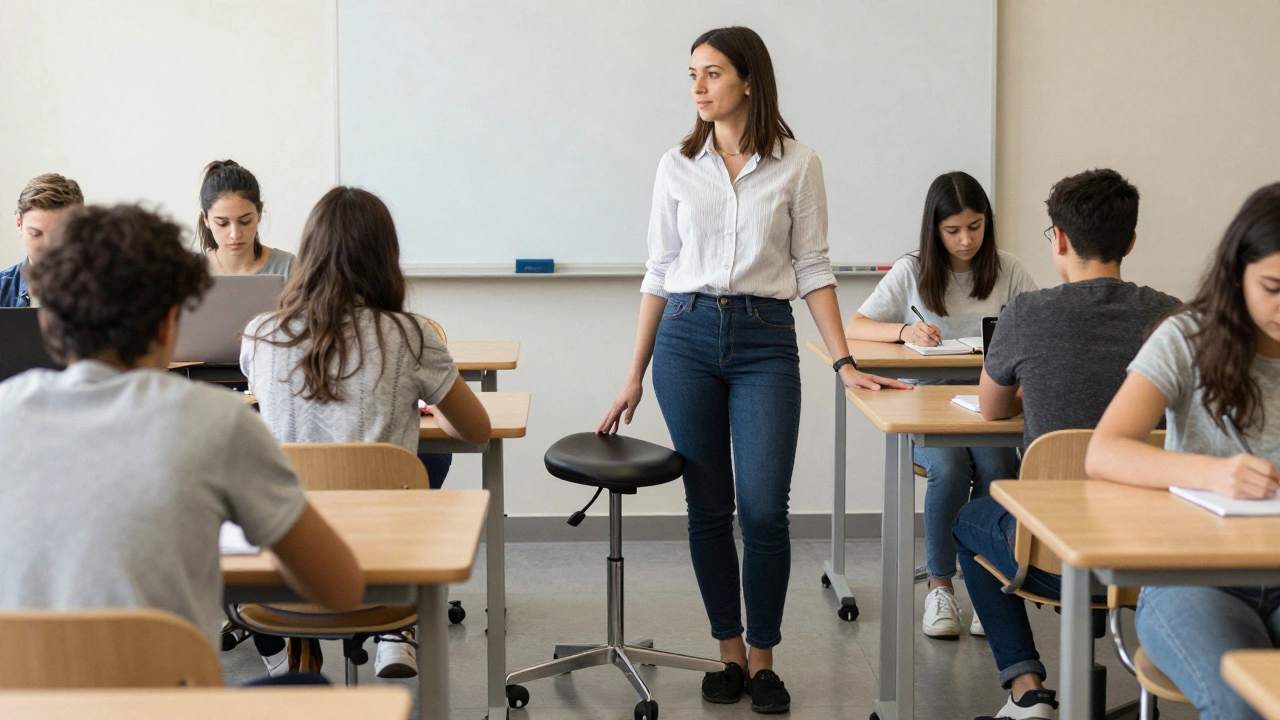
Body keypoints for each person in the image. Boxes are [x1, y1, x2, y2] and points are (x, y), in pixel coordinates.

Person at [599, 26, 909, 714]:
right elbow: (658, 272)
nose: (698, 88)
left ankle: (764, 658)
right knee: (708, 509)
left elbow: (813, 270)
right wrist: (633, 376)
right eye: (691, 75)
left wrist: (844, 360)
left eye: (711, 73)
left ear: (748, 80)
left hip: (766, 339)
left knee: (765, 511)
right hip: (684, 335)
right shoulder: (675, 166)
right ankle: (729, 654)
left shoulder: (798, 164)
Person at [0, 204, 363, 684]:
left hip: (23, 703)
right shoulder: (217, 423)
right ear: (172, 321)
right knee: (309, 689)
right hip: (168, 703)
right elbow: (339, 588)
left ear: (47, 323)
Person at [952, 168, 1180, 720]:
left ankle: (1026, 690)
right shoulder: (1174, 317)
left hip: (1051, 555)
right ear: (1129, 242)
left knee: (969, 522)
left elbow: (992, 408)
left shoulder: (1026, 314)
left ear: (1058, 238)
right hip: (1152, 556)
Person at [242, 185, 491, 679]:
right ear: (385, 258)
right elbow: (478, 432)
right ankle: (395, 636)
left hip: (284, 558)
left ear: (308, 254)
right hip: (386, 561)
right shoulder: (410, 334)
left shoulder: (261, 333)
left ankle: (298, 644)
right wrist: (428, 407)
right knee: (423, 462)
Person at [1087, 182, 1280, 720]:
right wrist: (1214, 475)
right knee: (1241, 705)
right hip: (1195, 582)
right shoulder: (1186, 338)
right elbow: (1104, 451)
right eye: (1273, 286)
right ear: (1236, 271)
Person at [845, 171, 1035, 639]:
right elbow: (856, 324)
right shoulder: (912, 270)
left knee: (996, 465)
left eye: (975, 226)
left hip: (987, 399)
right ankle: (940, 585)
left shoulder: (1008, 269)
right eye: (953, 231)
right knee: (948, 469)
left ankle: (989, 585)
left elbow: (1038, 327)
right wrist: (903, 331)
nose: (966, 240)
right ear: (934, 229)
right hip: (923, 400)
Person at [198, 160, 294, 279]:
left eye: (245, 221)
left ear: (259, 213)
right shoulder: (191, 273)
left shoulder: (288, 268)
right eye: (222, 223)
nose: (235, 235)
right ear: (205, 218)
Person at [1, 173, 83, 307]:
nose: (47, 246)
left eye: (57, 235)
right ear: (19, 224)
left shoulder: (103, 293)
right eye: (35, 234)